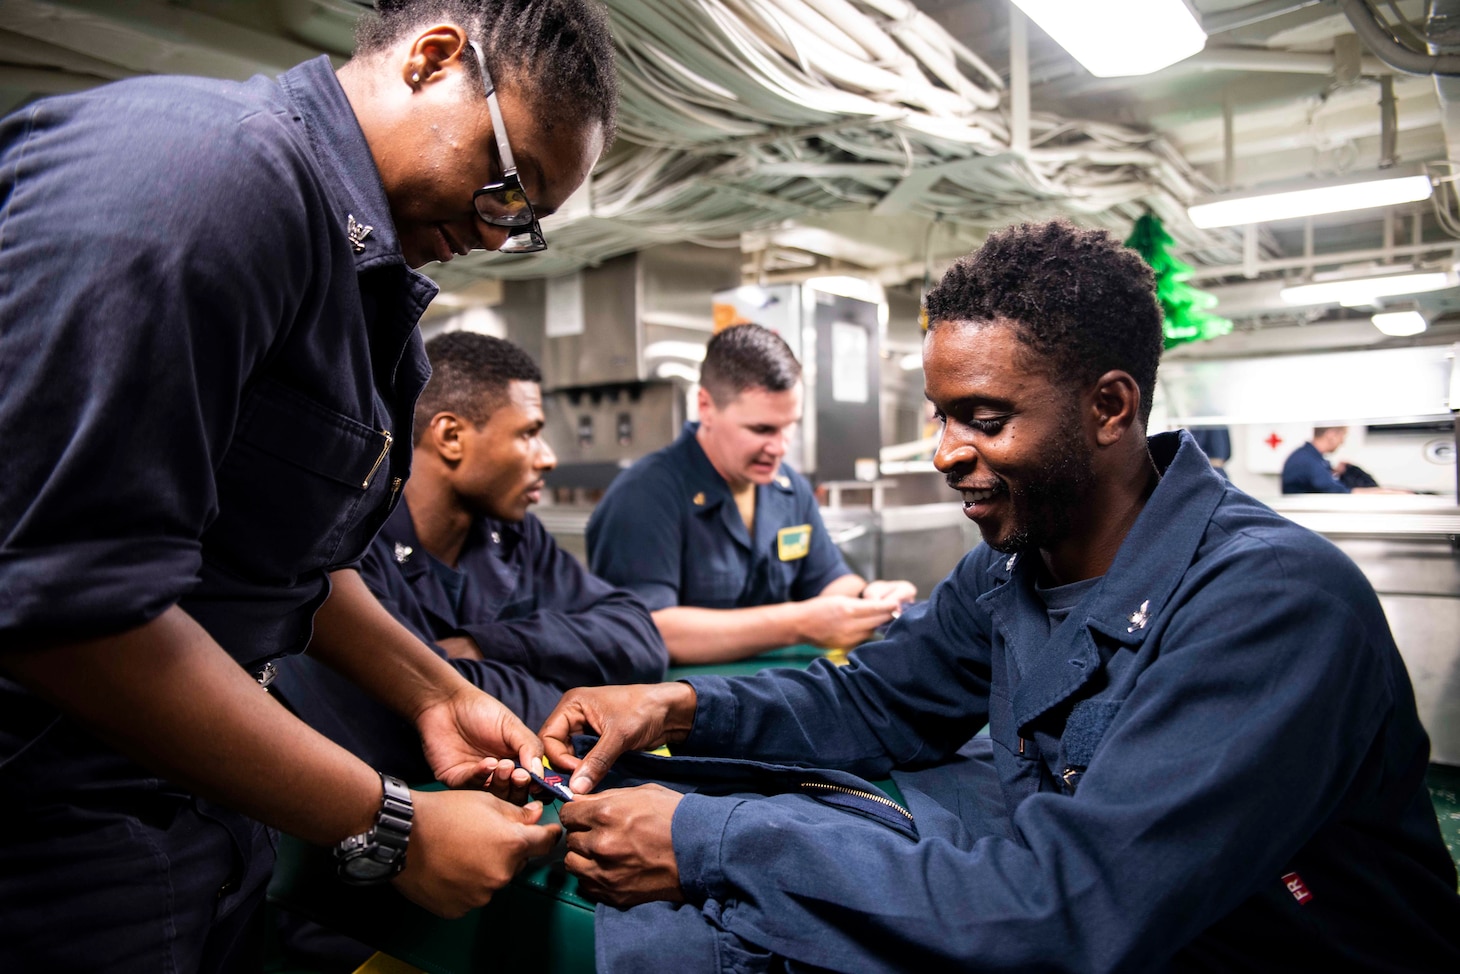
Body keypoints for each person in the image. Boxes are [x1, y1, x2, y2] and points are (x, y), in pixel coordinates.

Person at [543, 220, 1460, 972]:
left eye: (985, 419)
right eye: (940, 416)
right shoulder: (1017, 563)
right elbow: (876, 701)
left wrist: (713, 842)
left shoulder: (1271, 604)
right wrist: (682, 709)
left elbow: (1075, 907)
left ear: (1109, 407)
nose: (945, 451)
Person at [0, 1, 616, 969]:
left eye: (524, 221)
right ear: (433, 57)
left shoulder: (354, 285)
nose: (500, 233)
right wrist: (392, 823)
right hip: (47, 829)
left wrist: (433, 689)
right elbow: (68, 606)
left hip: (193, 806)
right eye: (508, 187)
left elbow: (279, 564)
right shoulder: (203, 182)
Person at [274, 331, 667, 776]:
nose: (548, 457)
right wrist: (581, 694)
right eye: (529, 433)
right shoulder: (348, 543)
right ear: (452, 436)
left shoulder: (515, 534)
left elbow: (638, 638)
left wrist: (488, 644)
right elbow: (410, 712)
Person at [586, 323, 917, 664]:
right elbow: (649, 631)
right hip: (681, 707)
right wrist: (797, 624)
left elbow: (827, 581)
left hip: (775, 699)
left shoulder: (788, 489)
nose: (779, 447)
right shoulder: (646, 495)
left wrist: (870, 598)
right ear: (706, 407)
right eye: (761, 429)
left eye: (790, 426)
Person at [1281, 425, 1408, 494]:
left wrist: (1333, 472)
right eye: (1343, 436)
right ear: (1331, 435)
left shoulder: (1310, 457)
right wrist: (1384, 492)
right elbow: (1339, 491)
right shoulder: (1306, 460)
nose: (1342, 442)